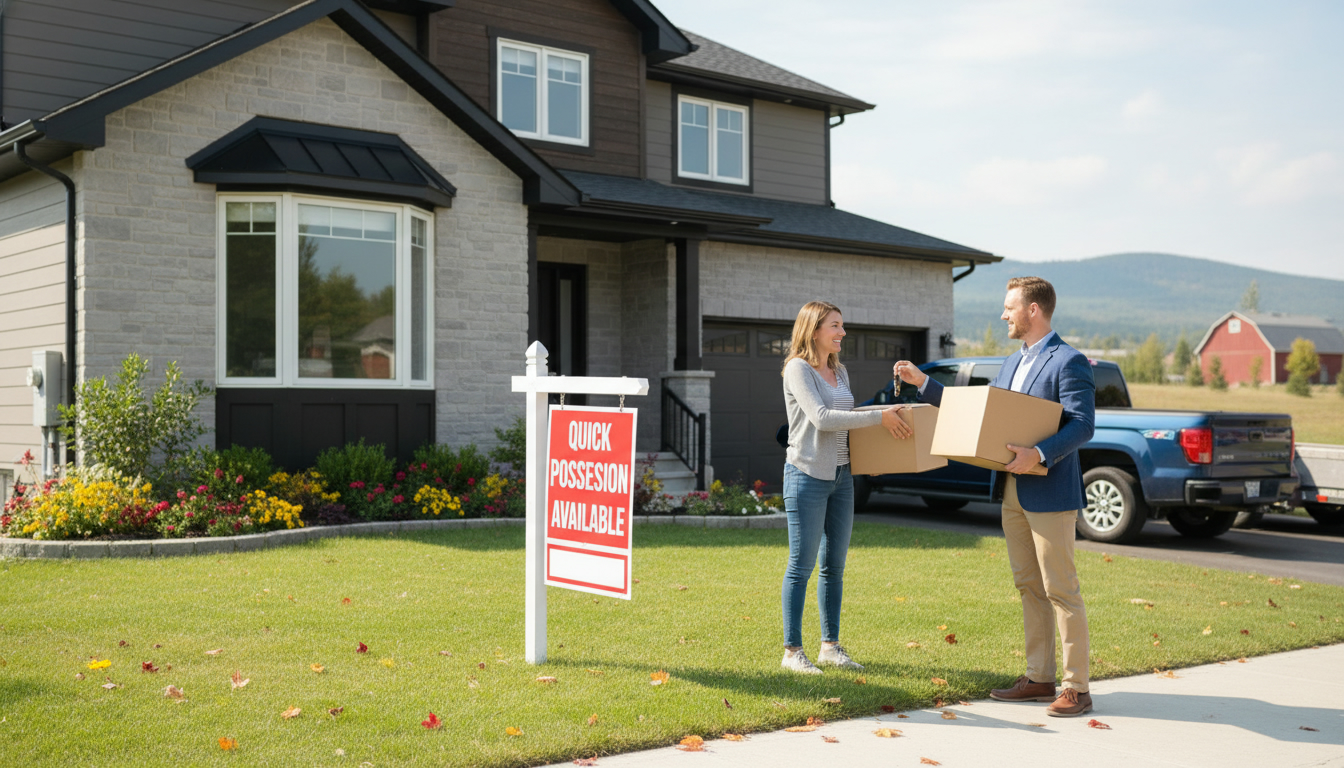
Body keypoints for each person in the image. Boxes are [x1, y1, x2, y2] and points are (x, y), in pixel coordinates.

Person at [893, 277, 1097, 716]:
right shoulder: (1012, 363)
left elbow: (1082, 425)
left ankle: (1076, 688)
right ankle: (1040, 678)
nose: (1004, 315)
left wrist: (1039, 453)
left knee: (1061, 589)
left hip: (1050, 491)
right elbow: (976, 414)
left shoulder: (1070, 361)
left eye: (1010, 308)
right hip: (1012, 492)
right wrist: (922, 382)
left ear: (1034, 310)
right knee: (1028, 587)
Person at [780, 301, 913, 674]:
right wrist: (878, 418)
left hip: (842, 477)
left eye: (842, 326)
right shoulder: (797, 369)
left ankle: (830, 646)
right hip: (806, 475)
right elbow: (822, 420)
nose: (842, 333)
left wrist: (888, 419)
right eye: (835, 326)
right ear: (814, 329)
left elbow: (849, 419)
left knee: (834, 567)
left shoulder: (840, 371)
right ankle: (792, 652)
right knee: (801, 566)